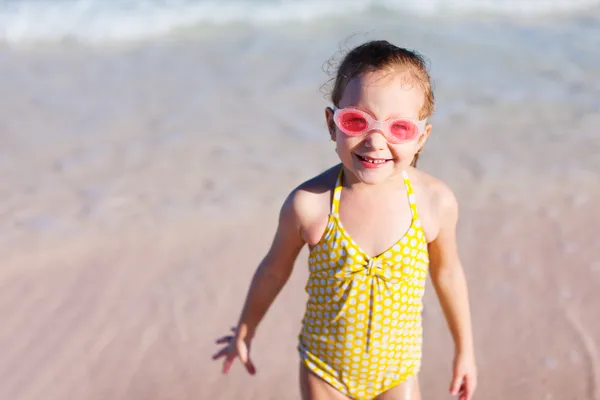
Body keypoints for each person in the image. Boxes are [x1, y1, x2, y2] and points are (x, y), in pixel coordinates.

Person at [212, 40, 477, 400]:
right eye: (357, 121)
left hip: (397, 371)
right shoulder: (310, 205)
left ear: (421, 138)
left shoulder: (434, 203)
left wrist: (465, 351)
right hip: (325, 370)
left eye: (399, 128)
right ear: (331, 124)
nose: (376, 141)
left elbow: (447, 274)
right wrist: (246, 328)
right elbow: (274, 270)